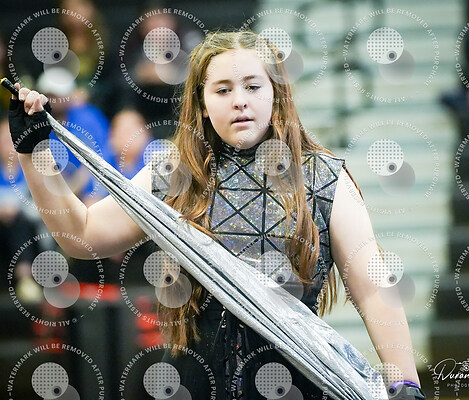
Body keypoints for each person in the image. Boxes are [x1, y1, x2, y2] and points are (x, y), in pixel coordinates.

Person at [7, 31, 425, 399]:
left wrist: (405, 383)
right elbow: (82, 235)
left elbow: (374, 290)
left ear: (276, 95)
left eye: (253, 86)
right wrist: (33, 153)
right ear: (203, 104)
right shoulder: (173, 173)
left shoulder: (325, 178)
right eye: (222, 90)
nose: (239, 100)